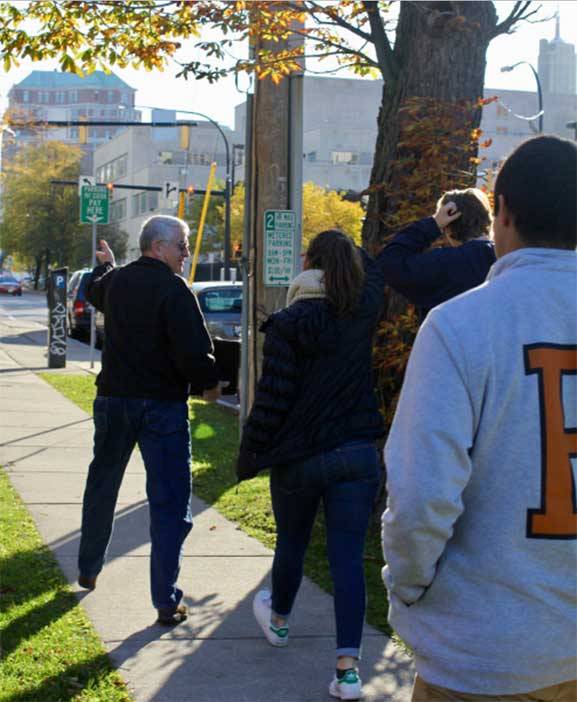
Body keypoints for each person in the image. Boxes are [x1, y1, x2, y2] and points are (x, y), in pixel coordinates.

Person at [381, 135, 576, 701]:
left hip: (487, 653)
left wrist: (409, 587)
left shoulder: (458, 325)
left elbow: (420, 497)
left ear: (504, 212)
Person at [236, 230, 388, 701]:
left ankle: (279, 618)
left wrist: (249, 454)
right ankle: (347, 671)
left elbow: (272, 400)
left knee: (293, 544)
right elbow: (377, 273)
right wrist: (344, 248)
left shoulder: (289, 323)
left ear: (310, 266)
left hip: (300, 458)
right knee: (346, 558)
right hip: (358, 455)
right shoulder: (363, 312)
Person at [78, 215, 220, 626]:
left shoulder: (117, 282)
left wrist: (105, 264)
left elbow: (95, 288)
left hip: (113, 402)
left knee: (102, 485)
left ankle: (89, 567)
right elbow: (195, 350)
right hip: (162, 407)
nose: (186, 252)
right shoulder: (174, 289)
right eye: (182, 245)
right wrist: (209, 384)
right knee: (170, 502)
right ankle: (165, 599)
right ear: (158, 247)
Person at [379, 187, 496, 318]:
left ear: (448, 226)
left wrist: (434, 224)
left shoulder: (444, 264)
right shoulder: (508, 257)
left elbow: (389, 263)